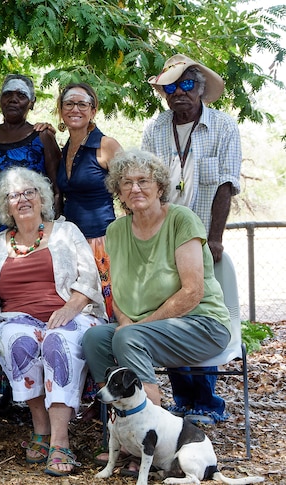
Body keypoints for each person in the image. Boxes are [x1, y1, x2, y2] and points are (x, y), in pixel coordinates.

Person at [82, 149, 231, 476]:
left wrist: (136, 329)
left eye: (143, 181)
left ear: (160, 186)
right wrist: (124, 323)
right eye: (126, 183)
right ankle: (120, 437)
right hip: (144, 330)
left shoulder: (181, 219)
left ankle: (152, 440)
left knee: (130, 339)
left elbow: (193, 292)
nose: (135, 188)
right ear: (118, 191)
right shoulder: (115, 232)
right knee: (94, 338)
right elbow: (115, 291)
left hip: (200, 324)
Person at [0, 167, 106, 477]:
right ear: (6, 205)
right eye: (15, 195)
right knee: (18, 342)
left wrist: (71, 307)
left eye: (30, 192)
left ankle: (59, 440)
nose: (24, 199)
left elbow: (89, 279)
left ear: (43, 198)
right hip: (18, 318)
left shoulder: (66, 232)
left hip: (71, 315)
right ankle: (41, 429)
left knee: (58, 341)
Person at [142, 54, 241, 425]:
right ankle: (183, 399)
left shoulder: (223, 127)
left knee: (199, 308)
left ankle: (207, 401)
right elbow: (147, 184)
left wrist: (214, 238)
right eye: (171, 86)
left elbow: (227, 185)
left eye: (187, 85)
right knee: (170, 309)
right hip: (163, 236)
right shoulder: (155, 129)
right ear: (164, 93)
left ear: (200, 90)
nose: (180, 93)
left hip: (199, 237)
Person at [0, 74, 60, 270]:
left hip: (29, 238)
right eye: (7, 94)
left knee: (22, 293)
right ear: (0, 100)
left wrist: (51, 232)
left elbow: (56, 190)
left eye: (21, 95)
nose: (13, 99)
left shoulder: (42, 137)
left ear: (31, 103)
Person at [55, 82, 123, 318]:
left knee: (108, 303)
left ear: (93, 111)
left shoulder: (106, 145)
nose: (75, 109)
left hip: (102, 241)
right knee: (79, 306)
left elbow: (130, 189)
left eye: (82, 104)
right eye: (69, 104)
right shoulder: (66, 148)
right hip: (72, 242)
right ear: (61, 111)